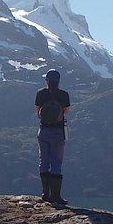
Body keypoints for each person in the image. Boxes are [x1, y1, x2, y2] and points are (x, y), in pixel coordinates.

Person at [35, 68, 71, 205]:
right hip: (58, 132)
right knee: (56, 162)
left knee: (43, 161)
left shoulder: (40, 93)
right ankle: (56, 196)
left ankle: (45, 193)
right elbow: (66, 111)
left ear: (47, 80)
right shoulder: (64, 95)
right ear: (58, 81)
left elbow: (38, 111)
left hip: (43, 131)